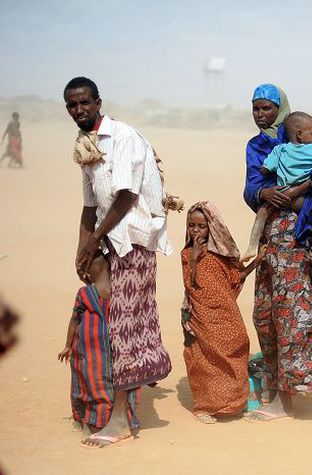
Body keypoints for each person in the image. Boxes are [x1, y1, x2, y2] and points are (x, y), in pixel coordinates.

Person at [65, 76, 172, 447]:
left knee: (125, 326)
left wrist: (94, 240)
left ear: (98, 102)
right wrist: (84, 250)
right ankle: (116, 409)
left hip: (134, 240)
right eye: (72, 105)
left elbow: (125, 197)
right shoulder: (86, 145)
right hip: (110, 241)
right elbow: (89, 205)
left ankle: (121, 420)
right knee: (115, 326)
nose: (79, 110)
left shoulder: (122, 137)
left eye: (84, 103)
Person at [243, 83, 312, 422]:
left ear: (281, 111)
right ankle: (274, 389)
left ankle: (285, 400)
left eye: (267, 109)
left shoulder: (303, 142)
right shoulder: (257, 145)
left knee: (291, 316)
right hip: (270, 236)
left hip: (297, 240)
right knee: (265, 314)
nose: (260, 115)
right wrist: (265, 192)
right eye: (256, 108)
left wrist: (295, 194)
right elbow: (251, 188)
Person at [181, 202, 265, 423]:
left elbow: (235, 279)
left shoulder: (220, 255)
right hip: (201, 317)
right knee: (204, 360)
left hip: (226, 314)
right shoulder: (187, 254)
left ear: (212, 227)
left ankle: (234, 402)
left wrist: (256, 262)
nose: (196, 230)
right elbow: (191, 285)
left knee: (237, 347)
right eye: (192, 225)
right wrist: (194, 259)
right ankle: (204, 407)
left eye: (201, 225)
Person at [58, 252, 139, 434]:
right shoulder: (120, 290)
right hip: (105, 347)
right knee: (105, 381)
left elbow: (74, 319)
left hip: (88, 348)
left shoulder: (85, 293)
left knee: (87, 381)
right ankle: (101, 419)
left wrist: (67, 345)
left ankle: (89, 419)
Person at [242, 111, 312, 261]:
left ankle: (251, 246)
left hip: (281, 190)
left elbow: (267, 166)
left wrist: (265, 170)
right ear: (300, 134)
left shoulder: (280, 149)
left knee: (262, 214)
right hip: (300, 197)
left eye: (266, 108)